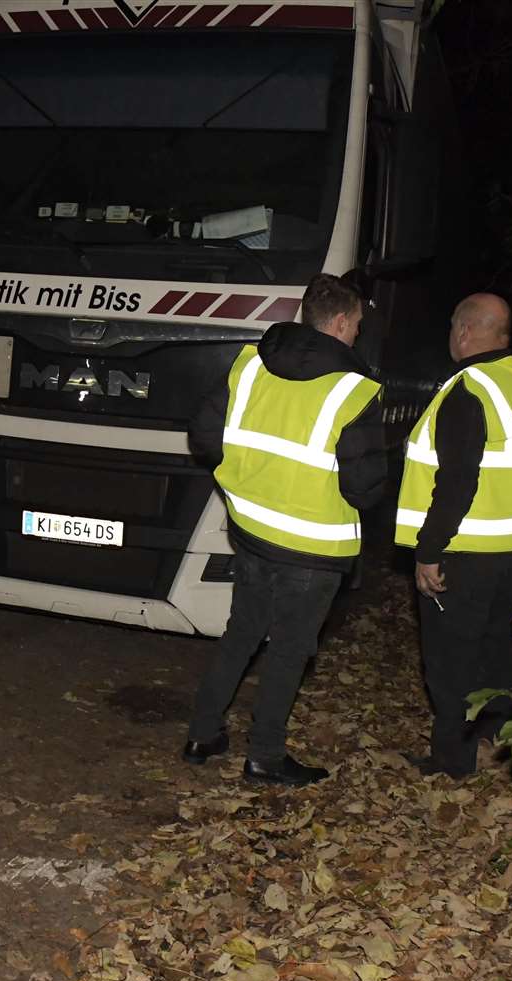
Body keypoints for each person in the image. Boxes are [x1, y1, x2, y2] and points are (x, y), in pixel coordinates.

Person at [184, 273, 388, 785]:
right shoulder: (354, 390)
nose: (358, 335)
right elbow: (365, 489)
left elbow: (204, 436)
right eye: (358, 325)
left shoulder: (250, 363)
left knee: (242, 633)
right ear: (341, 322)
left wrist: (255, 479)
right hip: (313, 548)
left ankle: (202, 734)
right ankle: (265, 757)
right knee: (290, 649)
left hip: (251, 529)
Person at [396, 293, 512, 778]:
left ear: (463, 331)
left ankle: (451, 762)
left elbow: (457, 482)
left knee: (449, 663)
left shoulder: (468, 389)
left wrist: (429, 551)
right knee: (494, 648)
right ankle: (497, 737)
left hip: (466, 552)